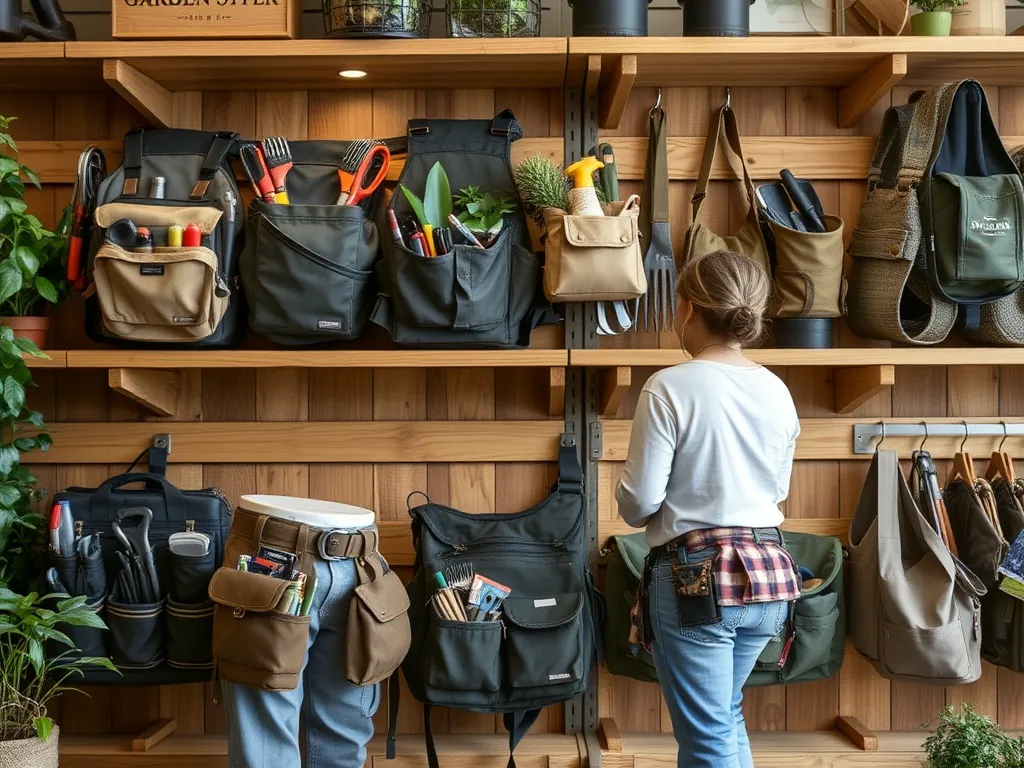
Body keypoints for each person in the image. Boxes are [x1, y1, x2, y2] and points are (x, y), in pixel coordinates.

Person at [616, 250, 801, 768]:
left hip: (696, 580)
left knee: (708, 737)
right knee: (725, 718)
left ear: (689, 308)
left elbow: (638, 505)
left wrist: (623, 490)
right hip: (769, 577)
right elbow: (775, 491)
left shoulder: (670, 386)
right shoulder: (776, 390)